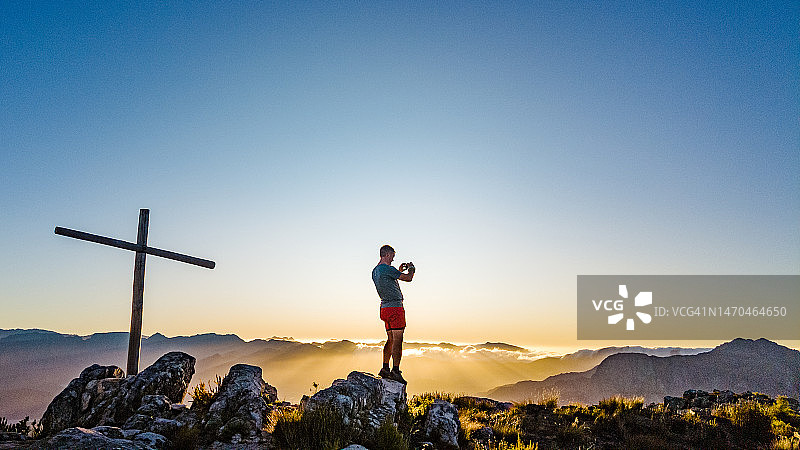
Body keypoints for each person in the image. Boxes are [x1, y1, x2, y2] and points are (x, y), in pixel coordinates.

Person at [372, 244, 414, 384]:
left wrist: (398, 271)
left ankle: (385, 368)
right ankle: (395, 371)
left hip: (384, 308)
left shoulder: (375, 271)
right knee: (397, 340)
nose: (393, 259)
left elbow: (388, 279)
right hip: (395, 308)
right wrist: (412, 269)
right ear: (388, 254)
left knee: (390, 339)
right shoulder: (388, 269)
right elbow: (408, 278)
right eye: (392, 257)